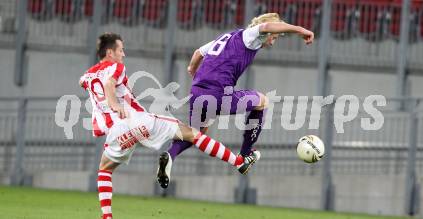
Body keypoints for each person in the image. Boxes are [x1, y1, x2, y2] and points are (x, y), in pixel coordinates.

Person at [79, 32, 260, 219]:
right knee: (193, 134)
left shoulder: (87, 76)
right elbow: (109, 83)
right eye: (121, 50)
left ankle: (107, 216)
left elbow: (86, 82)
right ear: (110, 52)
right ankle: (239, 162)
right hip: (137, 121)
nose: (123, 54)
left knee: (104, 170)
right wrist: (115, 105)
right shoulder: (116, 66)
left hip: (116, 132)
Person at [159, 13, 314, 188]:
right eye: (275, 37)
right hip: (218, 93)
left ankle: (170, 155)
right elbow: (267, 27)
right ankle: (246, 154)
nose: (273, 41)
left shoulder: (226, 37)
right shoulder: (250, 36)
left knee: (196, 134)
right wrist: (301, 30)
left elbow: (197, 54)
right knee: (262, 101)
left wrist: (193, 72)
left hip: (197, 90)